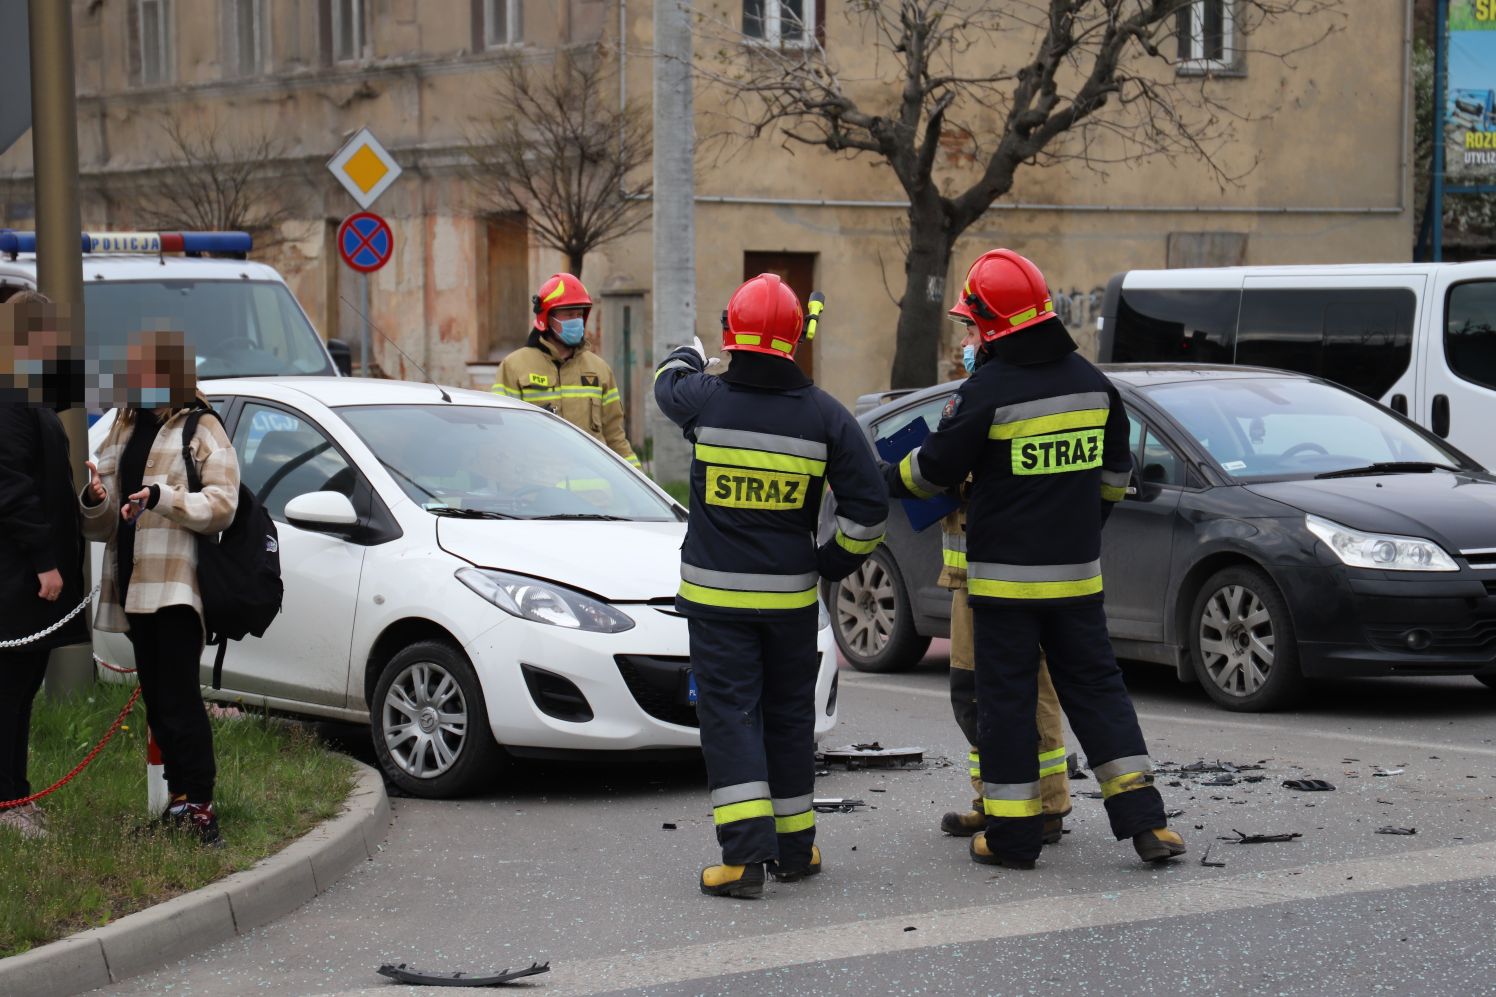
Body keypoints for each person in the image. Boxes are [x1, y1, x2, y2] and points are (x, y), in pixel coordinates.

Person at [886, 249, 1185, 869]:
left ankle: (1014, 838)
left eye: (972, 325)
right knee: (1100, 695)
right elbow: (1113, 478)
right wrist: (1074, 530)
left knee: (1007, 706)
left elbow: (933, 470)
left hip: (1004, 590)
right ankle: (1147, 824)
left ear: (993, 325)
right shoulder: (1093, 383)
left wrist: (883, 475)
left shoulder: (989, 390)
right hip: (1077, 580)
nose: (969, 337)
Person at [655, 274, 888, 899]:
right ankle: (795, 849)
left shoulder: (705, 399)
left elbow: (664, 385)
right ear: (795, 340)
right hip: (789, 603)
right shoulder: (826, 416)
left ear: (732, 335)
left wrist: (687, 353)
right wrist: (831, 562)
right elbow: (869, 509)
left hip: (718, 606)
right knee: (788, 718)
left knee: (729, 717)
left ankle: (743, 861)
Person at [80, 330, 239, 847]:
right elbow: (103, 523)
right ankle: (177, 800)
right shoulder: (123, 428)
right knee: (156, 696)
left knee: (179, 696)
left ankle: (201, 806)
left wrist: (163, 497)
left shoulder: (201, 426)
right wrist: (95, 497)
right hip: (130, 583)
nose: (136, 380)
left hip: (174, 583)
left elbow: (223, 503)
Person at [937, 327, 1071, 843]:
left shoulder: (1007, 398)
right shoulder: (976, 394)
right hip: (969, 578)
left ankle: (1043, 804)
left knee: (1016, 691)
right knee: (983, 693)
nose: (964, 341)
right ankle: (994, 797)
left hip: (1004, 578)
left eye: (970, 329)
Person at [0, 290, 88, 839]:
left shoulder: (24, 391)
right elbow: (11, 489)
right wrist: (45, 563)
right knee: (8, 695)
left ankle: (17, 794)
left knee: (20, 691)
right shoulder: (8, 398)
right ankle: (8, 803)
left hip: (27, 574)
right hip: (16, 577)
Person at [492, 273, 641, 468]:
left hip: (593, 494)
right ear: (547, 317)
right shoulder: (514, 367)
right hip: (537, 492)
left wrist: (642, 490)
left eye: (579, 314)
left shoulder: (599, 370)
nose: (576, 321)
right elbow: (501, 434)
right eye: (569, 314)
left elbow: (615, 438)